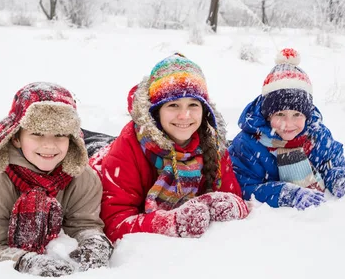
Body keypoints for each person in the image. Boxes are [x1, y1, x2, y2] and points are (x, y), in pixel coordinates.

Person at [0, 82, 113, 277]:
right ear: (16, 138)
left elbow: (84, 223)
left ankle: (15, 142)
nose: (50, 145)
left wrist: (94, 242)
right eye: (37, 133)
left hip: (25, 154)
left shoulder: (82, 177)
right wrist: (27, 261)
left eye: (60, 134)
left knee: (34, 152)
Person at [91, 53, 249, 242]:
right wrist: (172, 222)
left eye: (193, 104)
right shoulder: (128, 146)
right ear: (156, 112)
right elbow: (115, 224)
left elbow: (234, 196)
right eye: (173, 105)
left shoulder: (213, 142)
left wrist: (221, 204)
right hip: (99, 158)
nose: (185, 115)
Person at [228, 48, 345, 210]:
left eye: (297, 114)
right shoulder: (248, 144)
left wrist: (343, 181)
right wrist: (286, 193)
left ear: (307, 115)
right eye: (280, 114)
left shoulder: (316, 135)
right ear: (267, 115)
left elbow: (332, 165)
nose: (288, 124)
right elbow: (244, 186)